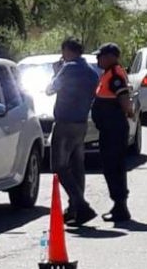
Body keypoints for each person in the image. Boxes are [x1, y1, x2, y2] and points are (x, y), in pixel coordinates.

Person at [46, 37, 100, 226]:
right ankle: (74, 209)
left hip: (64, 122)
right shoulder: (91, 72)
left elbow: (50, 89)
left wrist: (56, 72)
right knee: (77, 166)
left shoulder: (68, 69)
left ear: (68, 51)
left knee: (59, 167)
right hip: (81, 123)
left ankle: (81, 205)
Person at [91, 42, 134, 222]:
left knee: (114, 168)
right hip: (109, 130)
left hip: (114, 130)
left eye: (100, 56)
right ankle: (118, 206)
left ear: (111, 57)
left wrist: (129, 112)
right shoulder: (107, 74)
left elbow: (123, 98)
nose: (98, 59)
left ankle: (120, 207)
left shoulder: (115, 74)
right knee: (110, 168)